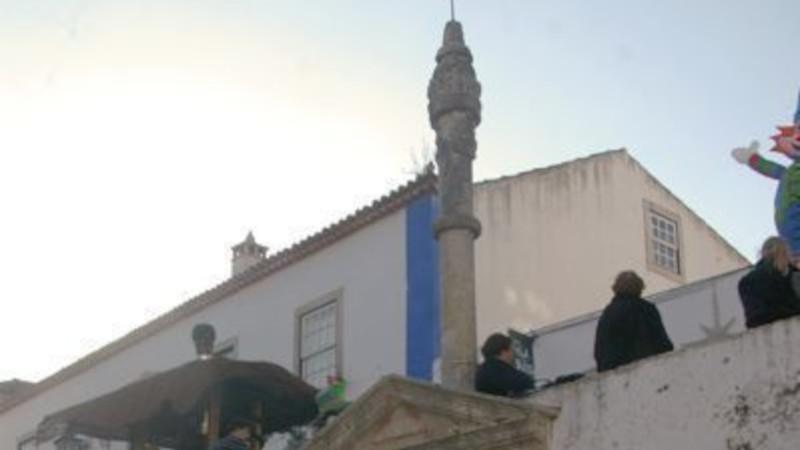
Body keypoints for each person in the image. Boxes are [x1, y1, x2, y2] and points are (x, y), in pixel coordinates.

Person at [594, 271, 674, 372]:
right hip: (647, 369)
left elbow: (601, 351)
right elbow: (662, 344)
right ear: (639, 288)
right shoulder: (646, 309)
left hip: (613, 373)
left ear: (616, 289)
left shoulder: (608, 314)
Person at [738, 236, 800, 328]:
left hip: (760, 331)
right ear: (785, 253)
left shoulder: (747, 281)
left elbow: (753, 317)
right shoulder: (794, 276)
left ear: (762, 253)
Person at [475, 332, 534, 397]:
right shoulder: (497, 369)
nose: (513, 354)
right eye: (511, 350)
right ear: (504, 352)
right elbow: (525, 382)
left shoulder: (482, 369)